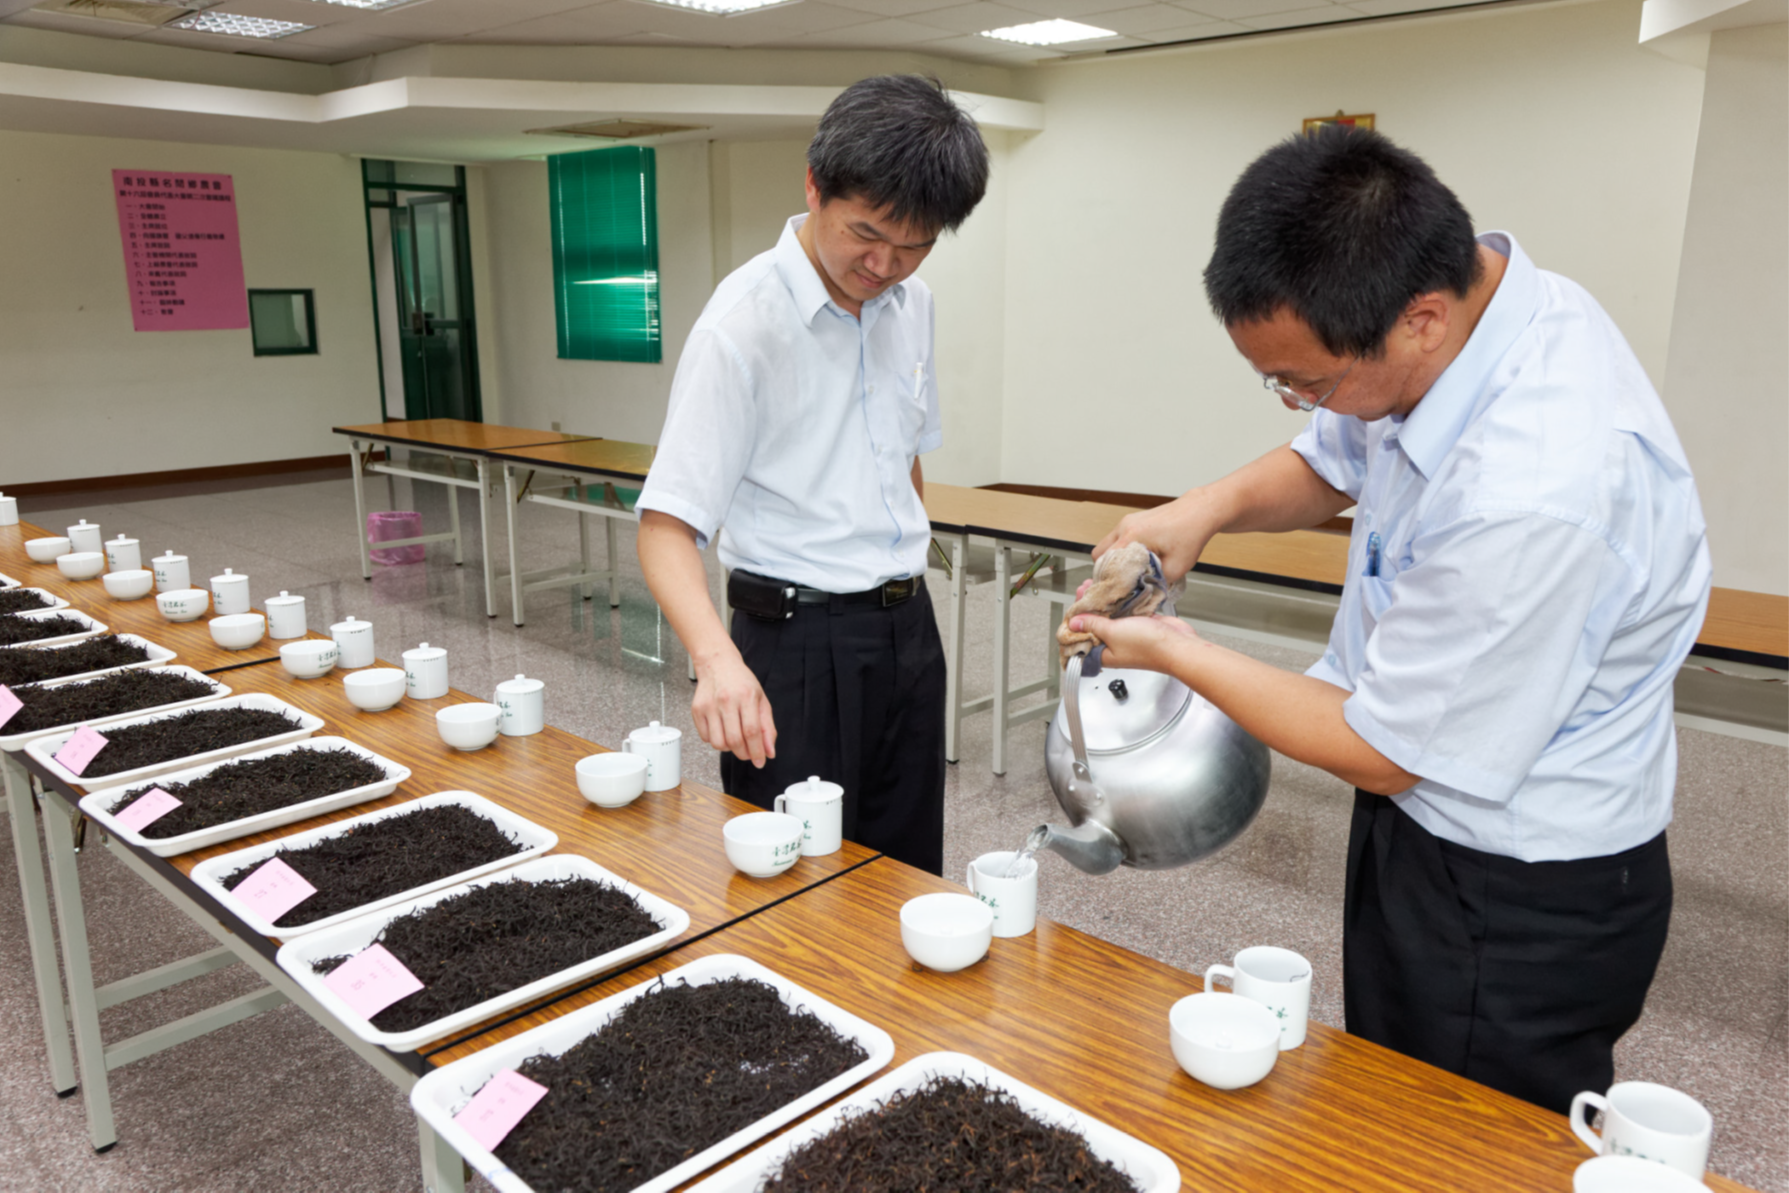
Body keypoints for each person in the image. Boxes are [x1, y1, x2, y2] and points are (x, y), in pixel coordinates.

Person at [1074, 126, 1710, 1114]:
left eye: (1306, 380)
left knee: (1461, 1139)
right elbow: (1333, 455)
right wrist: (1199, 509)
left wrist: (1170, 651)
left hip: (1515, 885)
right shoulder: (1480, 303)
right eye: (1274, 380)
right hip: (1432, 823)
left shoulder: (1535, 484)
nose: (1296, 401)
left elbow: (1380, 746)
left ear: (1418, 320)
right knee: (1383, 1092)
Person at [634, 75, 989, 876]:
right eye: (866, 234)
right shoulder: (742, 324)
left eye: (913, 246)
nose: (883, 263)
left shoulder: (913, 302)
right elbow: (665, 526)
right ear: (813, 187)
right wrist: (717, 660)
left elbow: (904, 458)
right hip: (793, 647)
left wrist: (903, 579)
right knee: (795, 888)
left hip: (905, 634)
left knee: (903, 871)